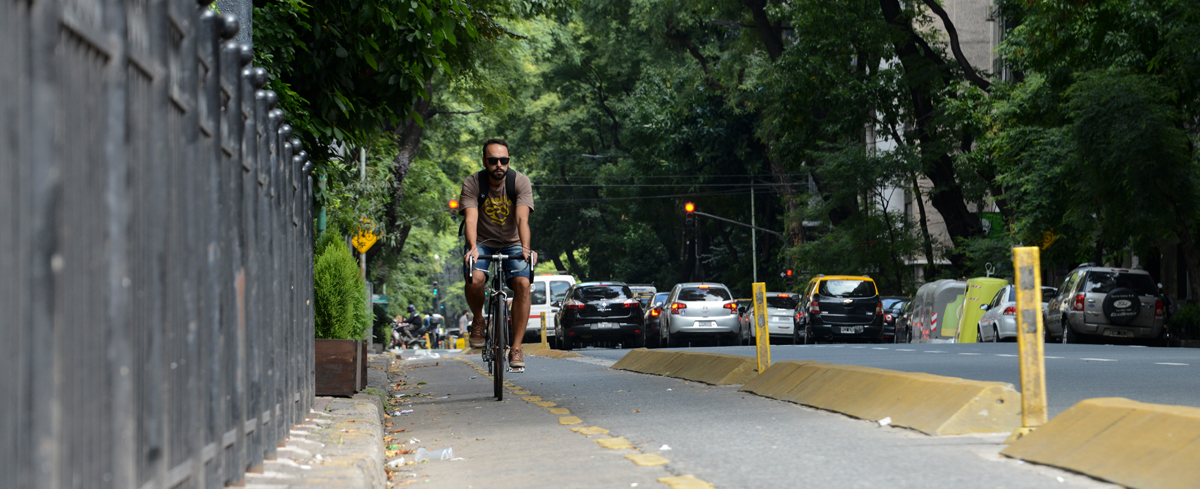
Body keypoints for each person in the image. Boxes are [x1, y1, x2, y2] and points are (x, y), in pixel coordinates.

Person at [461, 138, 536, 368]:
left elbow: (523, 219)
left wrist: (525, 248)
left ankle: (516, 348)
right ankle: (479, 319)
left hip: (513, 242)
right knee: (475, 278)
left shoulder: (520, 182)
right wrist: (472, 247)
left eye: (504, 160)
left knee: (523, 283)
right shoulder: (473, 183)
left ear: (508, 161)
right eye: (493, 161)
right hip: (482, 241)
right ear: (485, 161)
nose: (499, 165)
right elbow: (470, 219)